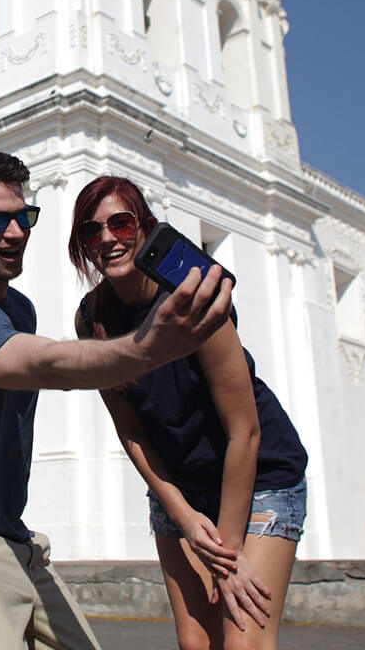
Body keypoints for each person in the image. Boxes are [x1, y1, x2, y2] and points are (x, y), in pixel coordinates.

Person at [0, 150, 235, 650]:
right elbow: (46, 364)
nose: (15, 232)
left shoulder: (18, 309)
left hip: (10, 538)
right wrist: (148, 347)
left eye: (23, 217)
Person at [68, 176, 308, 650]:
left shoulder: (194, 296)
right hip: (179, 482)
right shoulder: (91, 318)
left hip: (260, 474)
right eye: (92, 231)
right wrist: (181, 512)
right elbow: (130, 430)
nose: (108, 239)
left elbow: (245, 432)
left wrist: (227, 557)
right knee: (197, 643)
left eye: (121, 223)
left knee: (243, 642)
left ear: (146, 226)